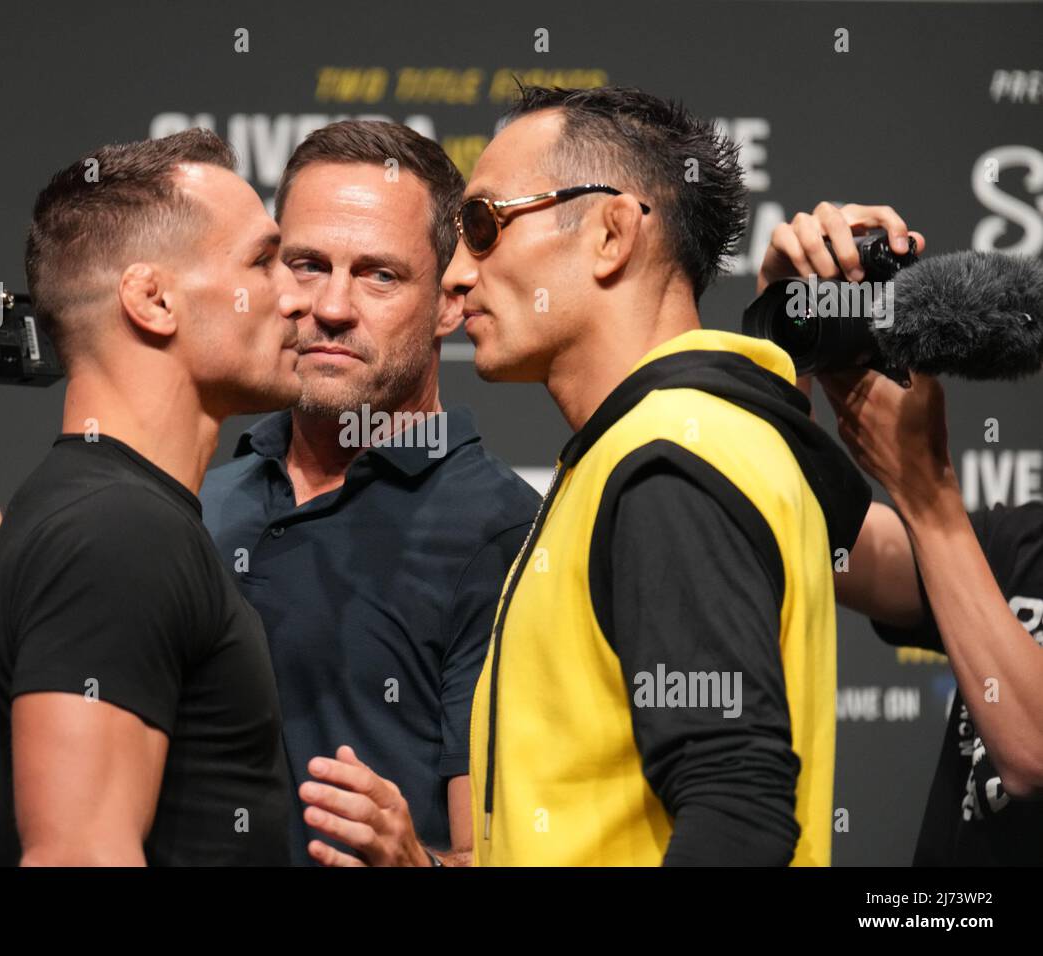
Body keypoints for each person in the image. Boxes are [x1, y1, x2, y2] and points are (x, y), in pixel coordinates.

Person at [433, 84, 869, 866]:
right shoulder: (667, 446)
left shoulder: (669, 460)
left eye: (484, 225)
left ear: (610, 233)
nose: (456, 274)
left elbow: (737, 815)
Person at [0, 130, 310, 866]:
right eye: (263, 261)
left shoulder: (107, 513)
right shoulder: (119, 534)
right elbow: (77, 857)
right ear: (152, 300)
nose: (299, 296)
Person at [201, 120, 539, 867]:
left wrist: (411, 863)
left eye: (380, 274)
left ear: (450, 302)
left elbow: (497, 854)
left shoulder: (506, 536)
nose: (331, 306)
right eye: (306, 264)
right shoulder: (205, 502)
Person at [764, 199, 1043, 865]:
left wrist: (928, 492)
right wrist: (787, 343)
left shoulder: (950, 516)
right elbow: (823, 543)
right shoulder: (1022, 543)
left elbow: (1031, 750)